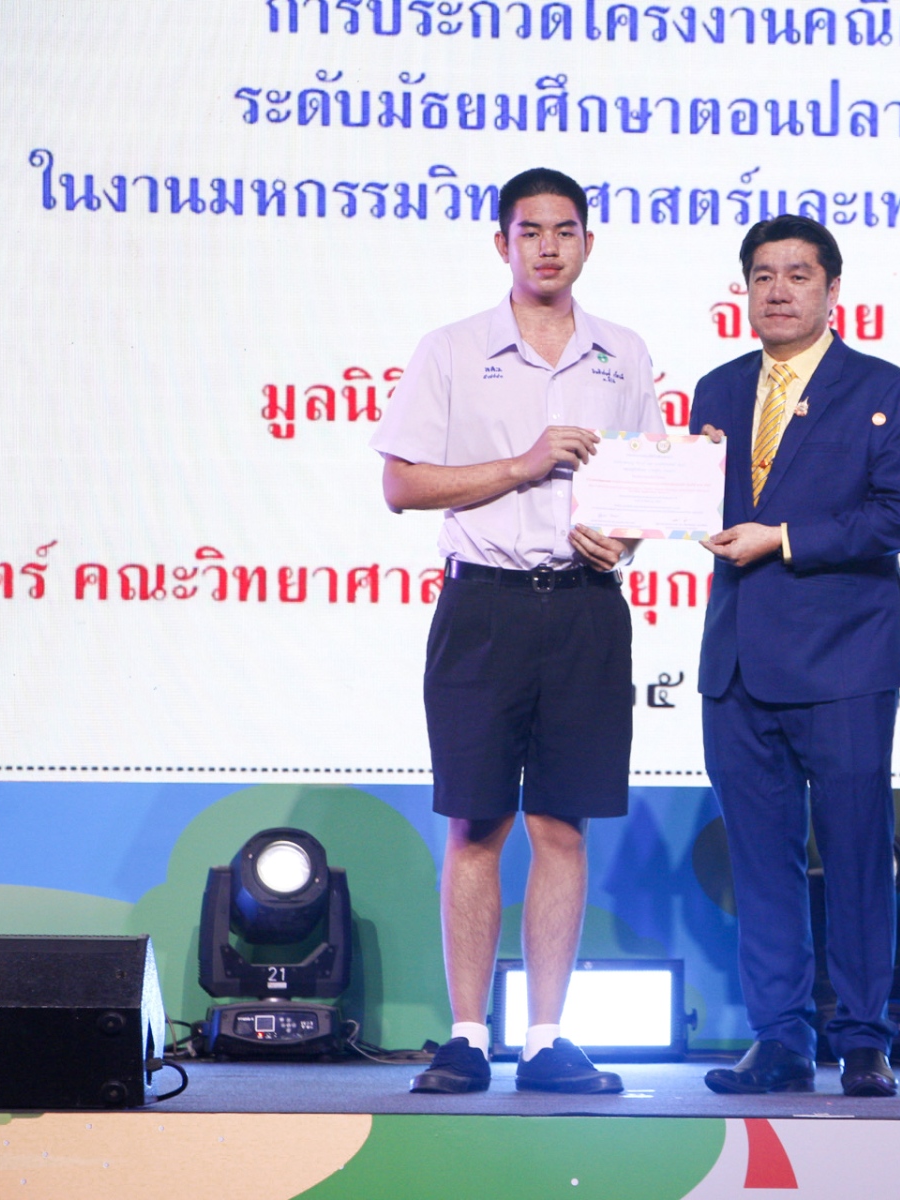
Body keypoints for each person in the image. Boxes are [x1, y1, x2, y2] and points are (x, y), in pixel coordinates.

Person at [371, 167, 664, 1095]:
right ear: (502, 244)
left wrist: (625, 537)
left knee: (562, 825)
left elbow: (650, 487)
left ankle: (545, 1040)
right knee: (476, 822)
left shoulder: (624, 353)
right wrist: (523, 464)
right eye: (529, 231)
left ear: (588, 243)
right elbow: (402, 484)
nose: (547, 246)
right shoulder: (453, 350)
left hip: (584, 606)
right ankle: (466, 1037)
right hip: (484, 606)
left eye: (564, 230)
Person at [692, 215, 900, 1098]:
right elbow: (693, 501)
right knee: (761, 861)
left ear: (833, 290)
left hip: (845, 661)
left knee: (859, 856)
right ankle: (781, 1039)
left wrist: (785, 536)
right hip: (738, 663)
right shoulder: (717, 390)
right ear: (744, 290)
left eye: (798, 275)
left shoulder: (884, 388)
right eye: (763, 275)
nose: (779, 291)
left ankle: (864, 1039)